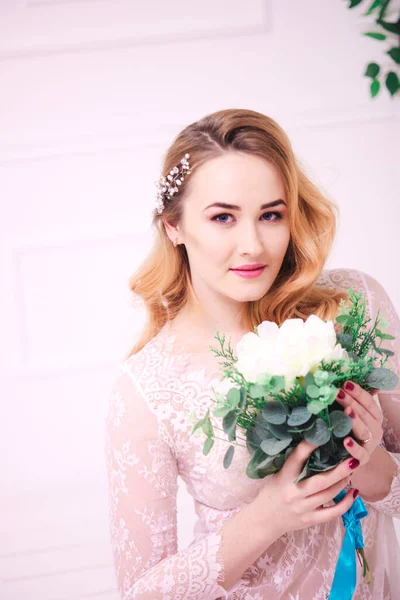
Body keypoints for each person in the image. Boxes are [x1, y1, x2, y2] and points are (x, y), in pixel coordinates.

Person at [104, 108, 400, 599]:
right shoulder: (146, 390)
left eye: (271, 214)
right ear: (174, 226)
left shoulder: (356, 307)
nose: (253, 245)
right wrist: (267, 517)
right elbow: (142, 594)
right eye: (223, 217)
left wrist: (367, 465)